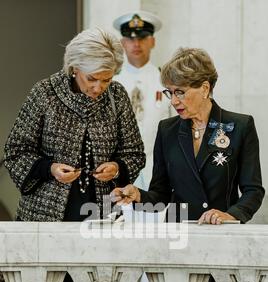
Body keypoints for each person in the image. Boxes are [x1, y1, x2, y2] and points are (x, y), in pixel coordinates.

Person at [4, 28, 145, 222]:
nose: (99, 88)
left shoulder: (117, 96)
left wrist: (117, 167)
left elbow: (134, 153)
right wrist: (50, 169)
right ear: (75, 67)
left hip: (105, 212)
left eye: (107, 79)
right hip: (45, 214)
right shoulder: (45, 93)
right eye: (92, 78)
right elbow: (15, 151)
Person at [112, 47, 265, 225]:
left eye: (180, 92)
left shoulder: (240, 126)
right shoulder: (167, 129)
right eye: (170, 92)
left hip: (221, 231)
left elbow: (253, 191)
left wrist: (232, 214)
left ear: (205, 88)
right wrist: (138, 195)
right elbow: (160, 195)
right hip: (178, 233)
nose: (174, 101)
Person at [113, 10, 171, 190]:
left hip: (158, 172)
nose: (136, 44)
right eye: (130, 39)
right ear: (123, 43)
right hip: (118, 174)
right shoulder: (111, 82)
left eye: (143, 38)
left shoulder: (166, 80)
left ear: (152, 41)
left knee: (156, 218)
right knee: (115, 217)